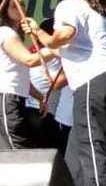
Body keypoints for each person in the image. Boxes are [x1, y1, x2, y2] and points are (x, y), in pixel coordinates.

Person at [23, 0, 106, 186]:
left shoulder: (70, 5)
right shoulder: (97, 15)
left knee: (93, 148)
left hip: (95, 82)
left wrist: (37, 32)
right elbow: (65, 49)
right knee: (84, 146)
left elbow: (63, 37)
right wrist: (38, 53)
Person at [0, 0, 54, 149]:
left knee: (12, 148)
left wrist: (39, 97)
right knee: (15, 149)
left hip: (13, 98)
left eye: (22, 5)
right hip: (5, 97)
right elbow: (29, 60)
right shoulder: (5, 33)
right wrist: (58, 49)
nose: (20, 8)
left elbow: (20, 76)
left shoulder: (14, 36)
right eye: (14, 6)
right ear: (4, 11)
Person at [25, 17, 67, 149]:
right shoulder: (53, 53)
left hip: (32, 109)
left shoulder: (33, 52)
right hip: (43, 113)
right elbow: (57, 83)